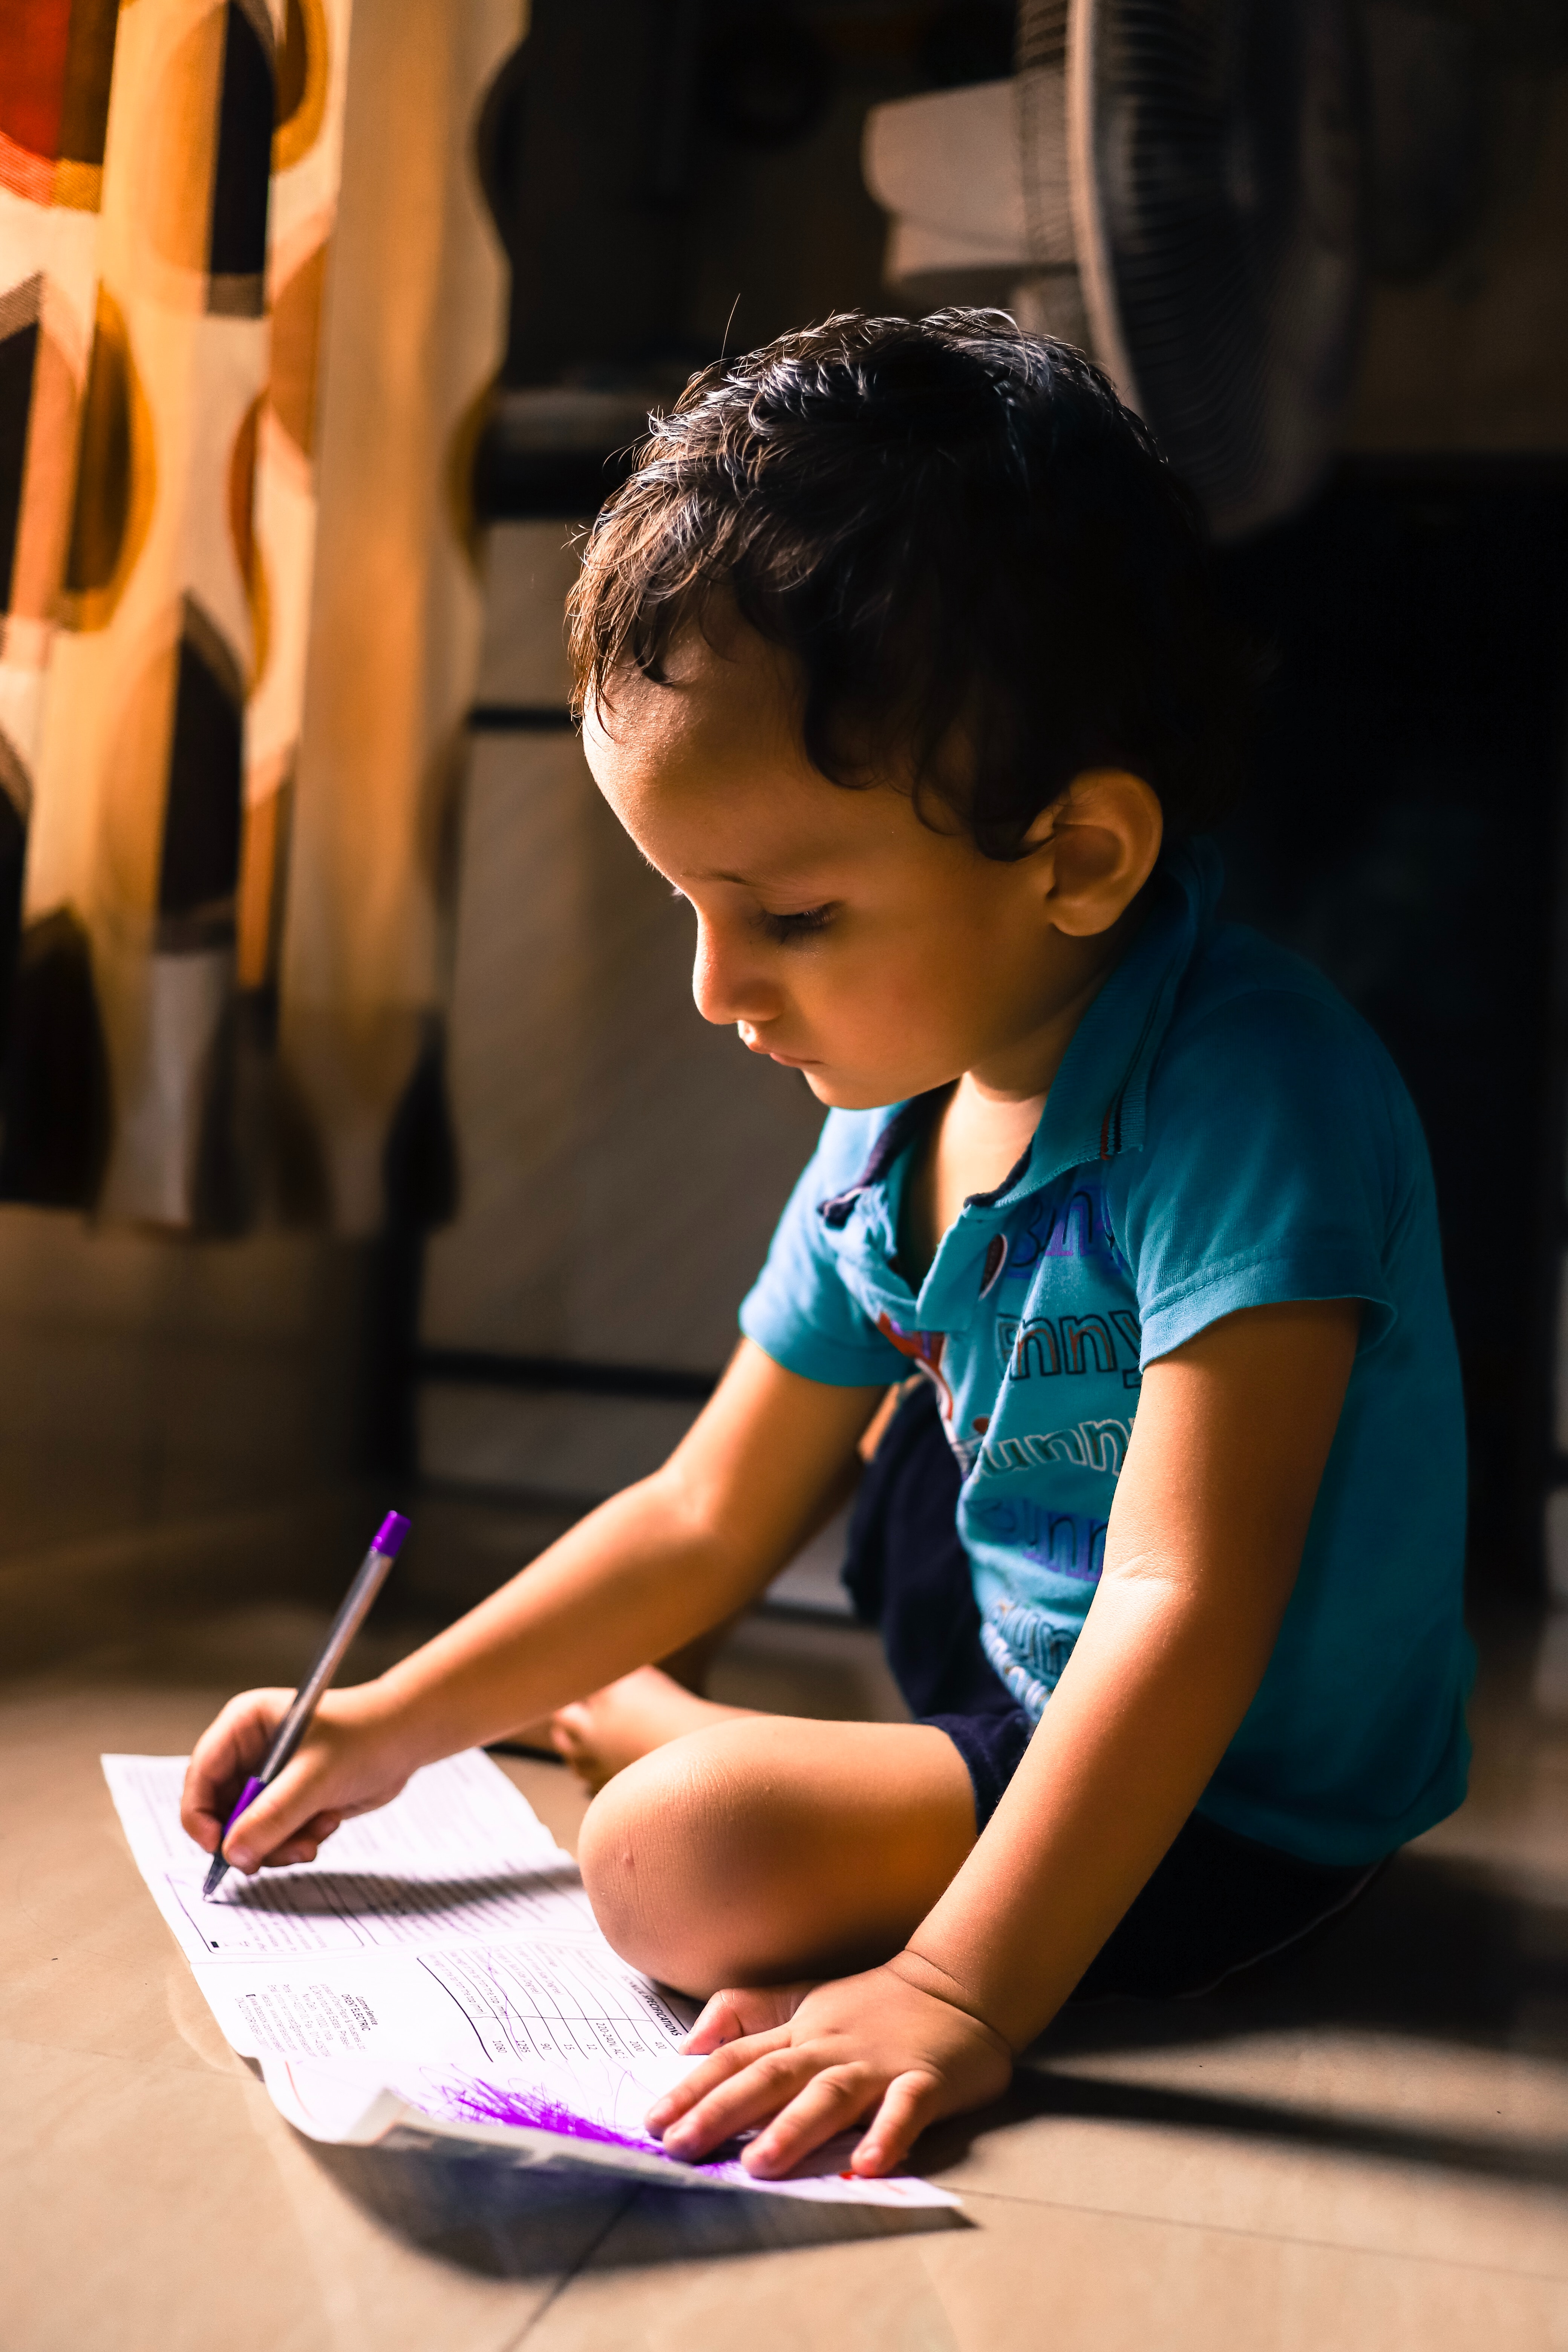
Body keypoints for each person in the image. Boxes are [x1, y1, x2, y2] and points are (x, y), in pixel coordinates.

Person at [182, 311, 1472, 2184]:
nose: (718, 992)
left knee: (666, 1857)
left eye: (786, 912)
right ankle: (691, 1724)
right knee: (870, 1433)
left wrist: (954, 1988)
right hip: (1024, 1655)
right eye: (688, 910)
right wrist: (382, 1726)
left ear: (1078, 859)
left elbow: (1180, 1613)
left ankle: (666, 1734)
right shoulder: (903, 1115)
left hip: (1233, 1789)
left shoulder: (1254, 1096)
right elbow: (707, 1511)